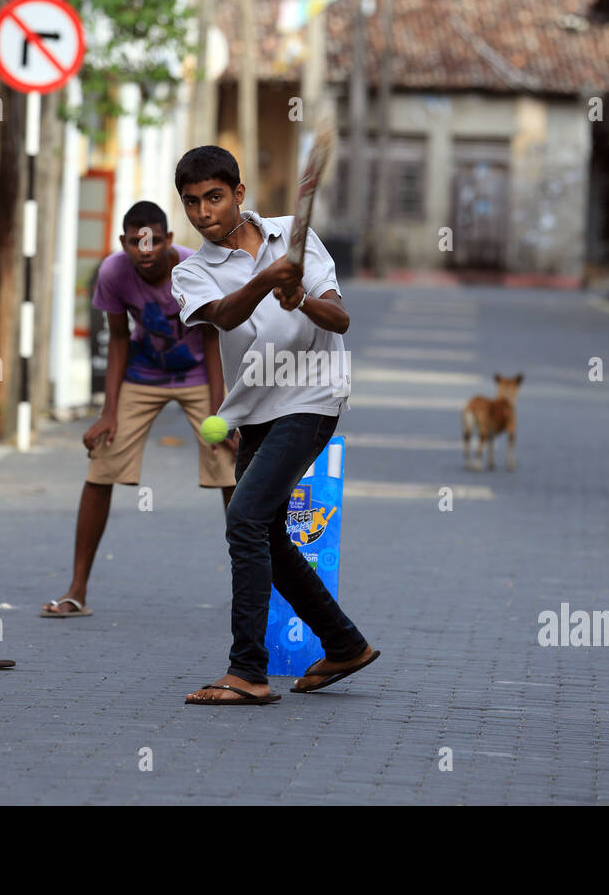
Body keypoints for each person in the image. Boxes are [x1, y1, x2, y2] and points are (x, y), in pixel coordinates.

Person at [170, 146, 379, 704]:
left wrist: (302, 296)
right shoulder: (190, 271)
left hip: (312, 397)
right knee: (263, 529)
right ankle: (343, 643)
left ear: (239, 194)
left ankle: (248, 671)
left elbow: (340, 317)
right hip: (254, 410)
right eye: (191, 203)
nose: (203, 212)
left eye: (214, 197)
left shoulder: (295, 236)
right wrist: (268, 282)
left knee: (243, 516)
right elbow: (225, 315)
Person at [41, 201, 237, 617]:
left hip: (200, 376)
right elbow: (117, 340)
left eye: (154, 241)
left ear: (168, 240)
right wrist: (108, 411)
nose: (145, 251)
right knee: (102, 464)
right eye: (135, 243)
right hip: (142, 375)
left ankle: (256, 593)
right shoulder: (113, 273)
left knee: (231, 467)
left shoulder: (194, 268)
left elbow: (211, 337)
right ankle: (76, 590)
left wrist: (221, 408)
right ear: (123, 243)